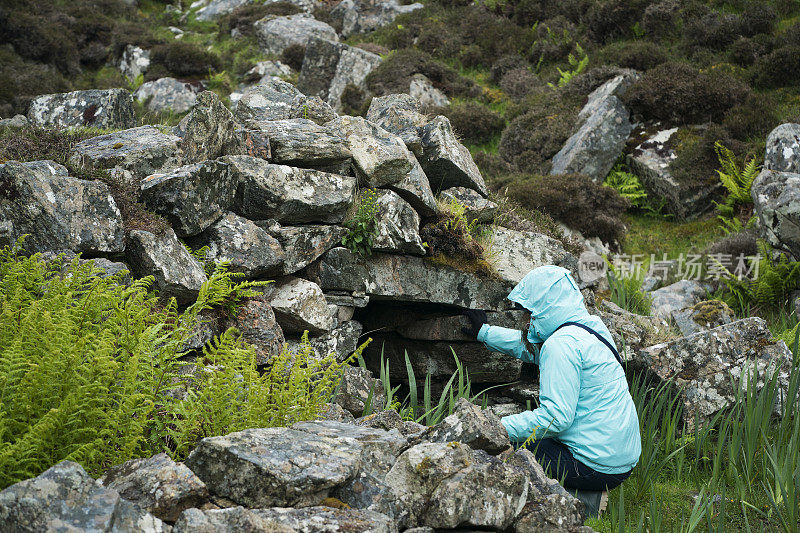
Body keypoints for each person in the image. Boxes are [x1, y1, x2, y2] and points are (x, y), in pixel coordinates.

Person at [462, 265, 641, 512]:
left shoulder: (561, 345)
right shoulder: (591, 329)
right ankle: (581, 492)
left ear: (544, 308)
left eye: (529, 312)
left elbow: (555, 419)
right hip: (621, 458)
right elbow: (532, 348)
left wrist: (497, 428)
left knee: (512, 450)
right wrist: (485, 332)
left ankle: (579, 502)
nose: (527, 319)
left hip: (594, 465)